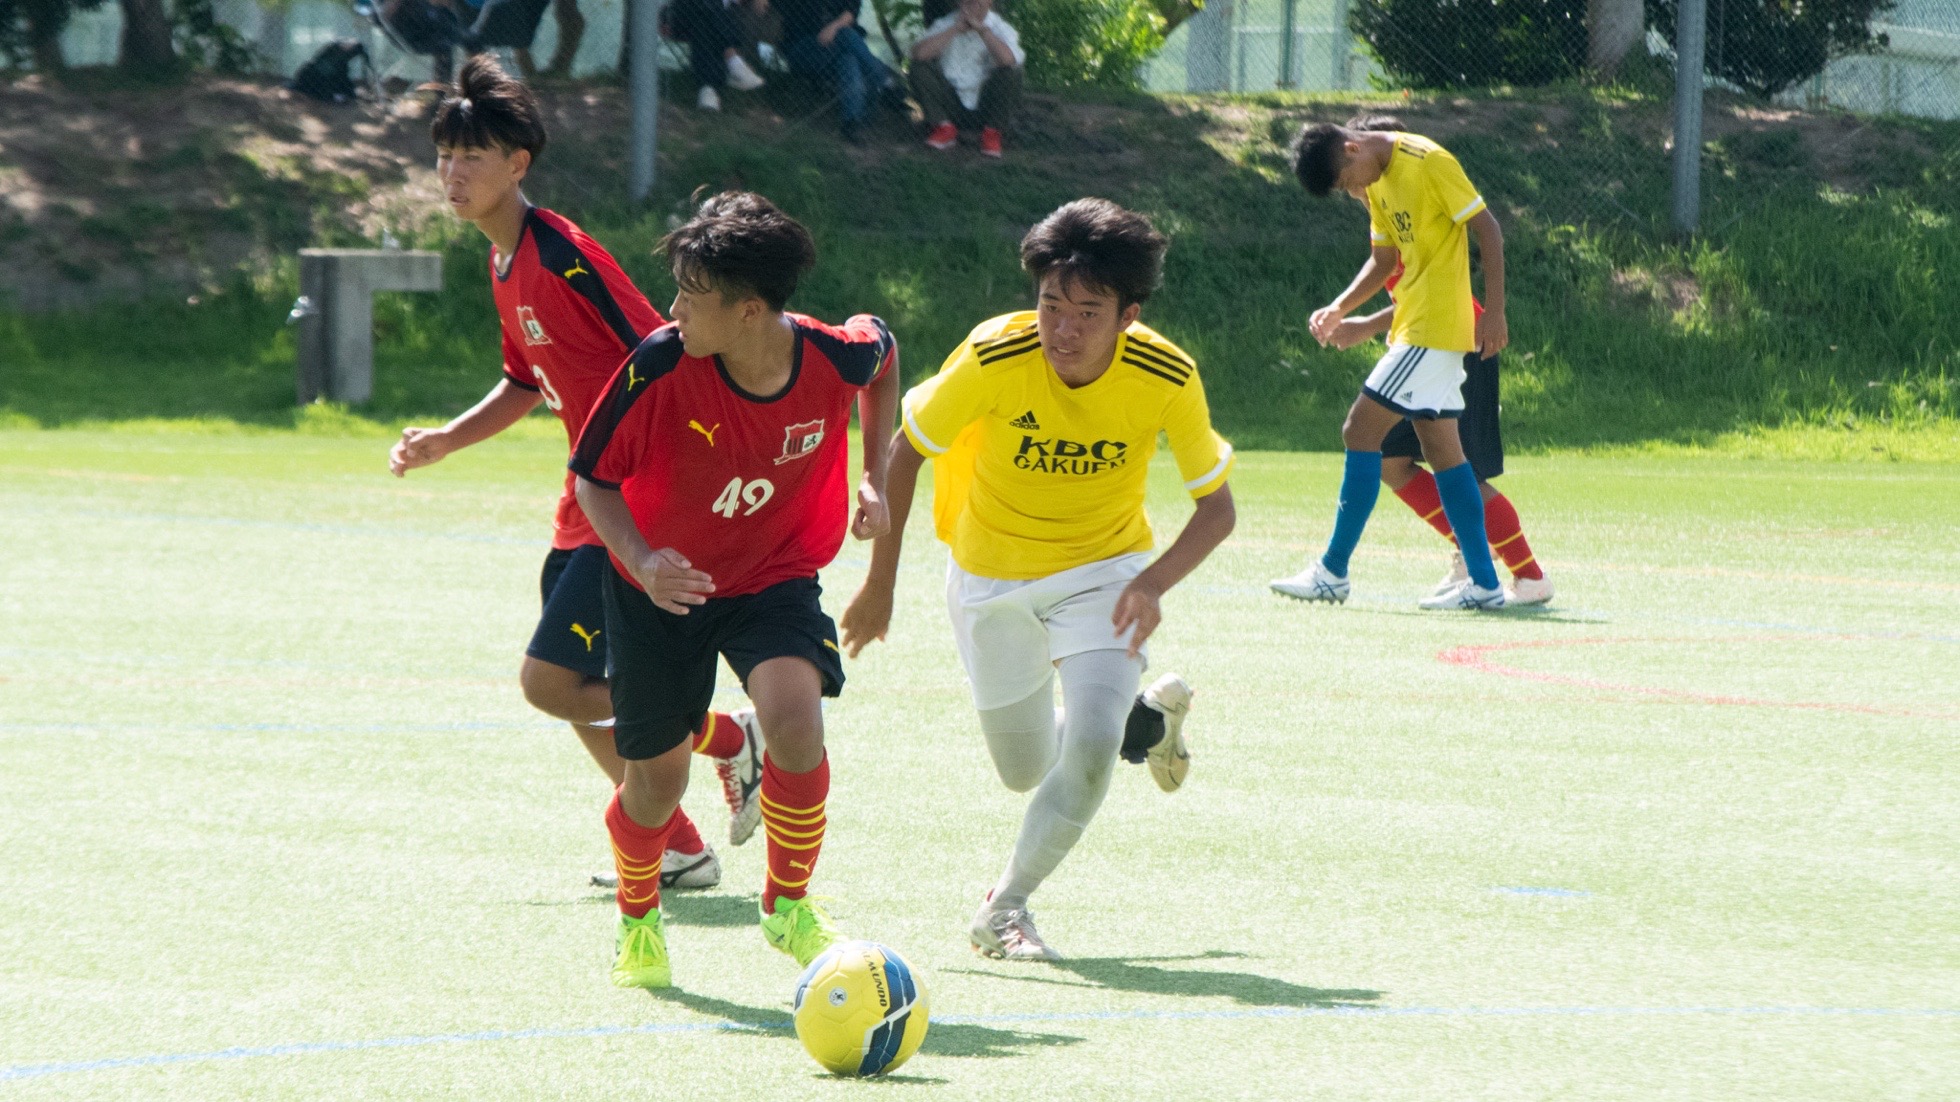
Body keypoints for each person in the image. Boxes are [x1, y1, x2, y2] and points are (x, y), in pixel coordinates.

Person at [388, 57, 768, 896]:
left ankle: (732, 739)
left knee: (551, 683)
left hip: (633, 496)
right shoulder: (503, 262)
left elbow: (661, 344)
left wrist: (706, 458)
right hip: (585, 496)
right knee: (585, 689)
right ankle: (677, 848)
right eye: (445, 155)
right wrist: (448, 440)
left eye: (473, 157)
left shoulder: (561, 254)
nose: (453, 173)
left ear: (517, 164)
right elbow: (525, 380)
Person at [840, 198, 1235, 961]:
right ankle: (1146, 726)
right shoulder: (994, 355)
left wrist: (1151, 583)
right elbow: (906, 450)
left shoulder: (1166, 373)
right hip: (990, 579)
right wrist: (880, 584)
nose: (1063, 329)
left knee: (1089, 746)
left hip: (1103, 573)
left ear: (1128, 316)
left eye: (1088, 313)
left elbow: (1216, 509)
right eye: (1052, 304)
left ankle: (1005, 906)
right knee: (1022, 769)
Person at [568, 191, 900, 988]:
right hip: (662, 591)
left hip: (772, 575)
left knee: (796, 721)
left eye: (691, 295)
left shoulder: (831, 356)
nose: (672, 309)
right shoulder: (658, 364)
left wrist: (874, 473)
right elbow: (591, 481)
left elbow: (883, 357)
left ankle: (788, 906)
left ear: (749, 311)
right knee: (658, 783)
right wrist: (643, 560)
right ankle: (639, 919)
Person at [1270, 119, 1510, 610]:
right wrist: (1340, 307)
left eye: (1345, 181)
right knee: (1444, 452)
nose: (1350, 191)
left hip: (1431, 329)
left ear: (1352, 148)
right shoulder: (1376, 180)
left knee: (1359, 430)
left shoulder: (1428, 161)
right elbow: (1384, 261)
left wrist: (1496, 311)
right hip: (1419, 328)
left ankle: (1332, 571)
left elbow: (1488, 229)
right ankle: (1485, 583)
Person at [907, 0, 1024, 157]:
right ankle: (943, 128)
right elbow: (919, 55)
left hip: (986, 104)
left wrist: (983, 31)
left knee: (1012, 72)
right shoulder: (944, 24)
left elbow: (1008, 60)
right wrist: (955, 29)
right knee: (919, 67)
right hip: (950, 103)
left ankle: (992, 134)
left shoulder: (1001, 28)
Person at [777, 0, 904, 142]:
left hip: (837, 48)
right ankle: (885, 82)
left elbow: (851, 12)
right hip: (802, 49)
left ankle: (851, 123)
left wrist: (833, 27)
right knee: (846, 35)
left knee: (849, 59)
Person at [667, 0, 770, 111]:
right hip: (683, 13)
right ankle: (732, 61)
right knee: (707, 9)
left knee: (704, 21)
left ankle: (708, 89)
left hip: (707, 19)